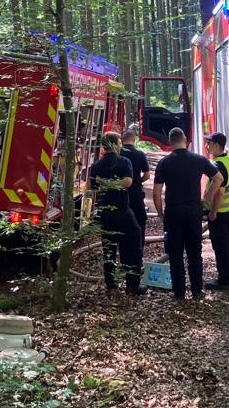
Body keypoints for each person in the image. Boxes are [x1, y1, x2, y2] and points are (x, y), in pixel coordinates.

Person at [152, 127, 220, 301]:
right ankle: (197, 291)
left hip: (173, 212)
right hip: (193, 211)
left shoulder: (164, 163)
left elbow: (156, 193)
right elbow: (218, 178)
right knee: (194, 252)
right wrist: (207, 197)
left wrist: (160, 214)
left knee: (175, 254)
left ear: (170, 141)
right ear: (185, 140)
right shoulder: (199, 160)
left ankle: (179, 292)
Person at [89, 131, 147, 295]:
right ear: (114, 144)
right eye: (119, 142)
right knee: (134, 243)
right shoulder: (124, 162)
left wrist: (104, 181)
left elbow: (94, 187)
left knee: (109, 248)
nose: (121, 145)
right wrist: (114, 183)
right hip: (122, 211)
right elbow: (127, 182)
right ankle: (132, 285)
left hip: (105, 213)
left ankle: (111, 284)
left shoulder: (97, 166)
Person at [203, 132, 229, 289]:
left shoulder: (217, 165)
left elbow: (219, 193)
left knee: (220, 246)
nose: (206, 146)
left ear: (217, 145)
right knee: (225, 244)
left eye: (209, 143)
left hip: (220, 212)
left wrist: (212, 211)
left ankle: (225, 279)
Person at [120, 128, 151, 247]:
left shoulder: (117, 154)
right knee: (139, 223)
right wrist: (137, 181)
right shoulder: (140, 154)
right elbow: (147, 175)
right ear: (134, 139)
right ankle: (139, 249)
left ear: (122, 139)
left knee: (122, 224)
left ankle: (123, 249)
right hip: (136, 194)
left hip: (120, 194)